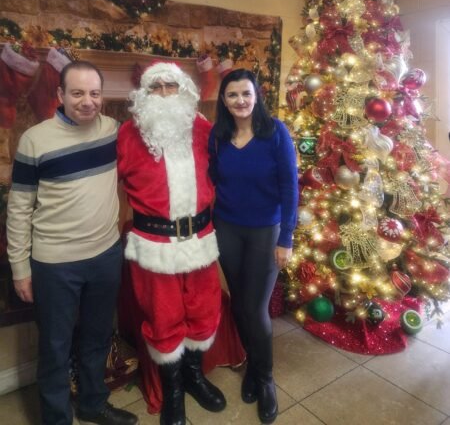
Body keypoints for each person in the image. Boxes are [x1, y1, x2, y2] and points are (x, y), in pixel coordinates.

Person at [6, 61, 138, 425]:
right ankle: (56, 419)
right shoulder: (35, 140)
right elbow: (19, 208)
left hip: (105, 256)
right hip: (55, 265)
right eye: (77, 93)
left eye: (94, 93)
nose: (87, 101)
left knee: (97, 337)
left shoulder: (113, 131)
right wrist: (20, 269)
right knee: (55, 347)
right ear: (60, 94)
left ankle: (93, 404)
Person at [117, 62, 226, 425]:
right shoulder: (128, 135)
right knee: (163, 318)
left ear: (184, 90)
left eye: (171, 86)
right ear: (144, 94)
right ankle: (174, 391)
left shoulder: (204, 130)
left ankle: (194, 376)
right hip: (155, 245)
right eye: (156, 87)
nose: (164, 93)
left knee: (204, 309)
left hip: (200, 240)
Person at [208, 68, 298, 425]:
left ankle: (265, 379)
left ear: (256, 95)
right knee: (240, 304)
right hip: (227, 228)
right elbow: (212, 178)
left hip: (265, 231)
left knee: (255, 308)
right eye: (232, 94)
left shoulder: (275, 132)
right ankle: (253, 367)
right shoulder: (218, 135)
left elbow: (290, 187)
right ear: (224, 100)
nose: (240, 100)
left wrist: (286, 238)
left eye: (246, 93)